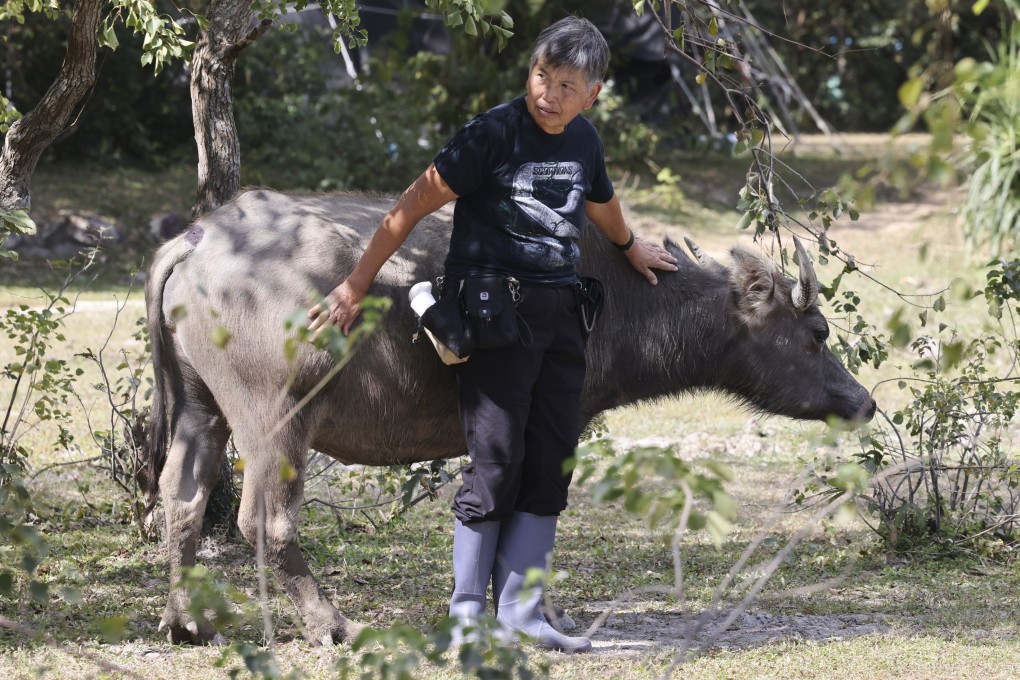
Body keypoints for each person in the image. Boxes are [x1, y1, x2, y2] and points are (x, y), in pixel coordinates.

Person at [308, 16, 678, 653]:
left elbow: (599, 200)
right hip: (493, 317)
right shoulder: (492, 133)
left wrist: (628, 244)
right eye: (541, 75)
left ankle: (522, 614)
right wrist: (356, 284)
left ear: (592, 94)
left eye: (566, 85)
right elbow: (410, 206)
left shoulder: (584, 140)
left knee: (550, 460)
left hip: (562, 318)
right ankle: (466, 615)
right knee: (497, 460)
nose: (548, 94)